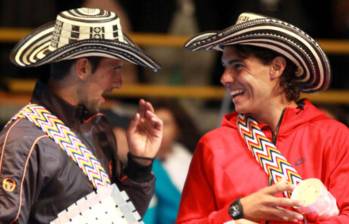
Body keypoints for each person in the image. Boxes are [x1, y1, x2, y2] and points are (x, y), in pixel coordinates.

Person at [177, 12, 349, 223]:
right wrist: (237, 211)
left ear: (276, 67)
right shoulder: (213, 146)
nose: (225, 78)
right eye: (225, 67)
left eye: (238, 66)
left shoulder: (333, 137)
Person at [0, 7, 163, 223]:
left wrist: (140, 163)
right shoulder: (22, 141)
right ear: (83, 68)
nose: (119, 82)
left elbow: (121, 217)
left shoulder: (99, 128)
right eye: (114, 68)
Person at [143, 100, 200, 224]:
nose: (159, 129)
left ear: (177, 129)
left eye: (166, 124)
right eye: (153, 123)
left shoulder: (186, 155)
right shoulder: (141, 166)